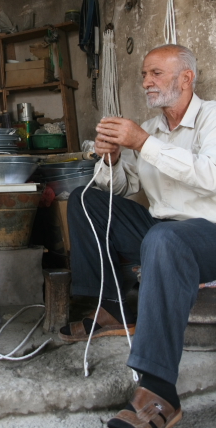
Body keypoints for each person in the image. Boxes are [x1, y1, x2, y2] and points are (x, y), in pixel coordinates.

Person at [59, 44, 216, 428]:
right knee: (83, 200)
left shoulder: (213, 118)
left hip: (207, 231)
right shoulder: (152, 128)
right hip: (161, 229)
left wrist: (144, 144)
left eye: (156, 74)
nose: (146, 82)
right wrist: (111, 159)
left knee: (164, 238)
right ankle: (111, 306)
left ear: (185, 78)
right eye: (145, 74)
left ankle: (159, 391)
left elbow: (210, 175)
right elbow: (122, 188)